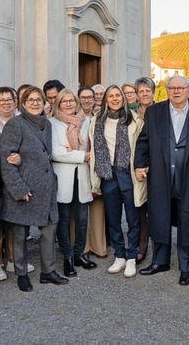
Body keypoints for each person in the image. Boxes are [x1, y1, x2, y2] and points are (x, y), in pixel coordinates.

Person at [135, 75, 189, 286]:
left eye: (181, 88)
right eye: (172, 88)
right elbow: (144, 140)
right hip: (161, 175)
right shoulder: (154, 112)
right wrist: (139, 164)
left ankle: (186, 268)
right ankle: (160, 262)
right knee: (159, 217)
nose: (176, 91)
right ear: (166, 90)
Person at [0, 86, 68, 292]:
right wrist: (18, 189)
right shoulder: (15, 124)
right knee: (20, 234)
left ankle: (48, 272)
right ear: (23, 103)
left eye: (39, 100)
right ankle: (21, 274)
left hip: (46, 188)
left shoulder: (46, 124)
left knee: (49, 231)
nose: (36, 103)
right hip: (25, 188)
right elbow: (7, 159)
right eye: (31, 100)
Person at [90, 85, 145, 278]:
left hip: (127, 173)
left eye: (117, 96)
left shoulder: (134, 119)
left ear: (123, 98)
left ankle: (131, 257)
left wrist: (142, 167)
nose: (114, 99)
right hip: (107, 174)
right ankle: (119, 255)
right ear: (105, 99)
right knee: (113, 218)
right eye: (110, 96)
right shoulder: (97, 120)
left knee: (132, 217)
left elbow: (141, 146)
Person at [50, 89, 96, 277]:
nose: (68, 104)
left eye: (71, 101)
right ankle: (67, 257)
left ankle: (79, 254)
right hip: (63, 178)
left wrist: (70, 151)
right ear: (58, 104)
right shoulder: (52, 123)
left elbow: (89, 146)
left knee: (82, 220)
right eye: (64, 101)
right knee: (63, 220)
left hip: (82, 177)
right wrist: (81, 155)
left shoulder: (86, 121)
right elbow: (55, 152)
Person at [0, 86, 27, 281]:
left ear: (16, 102)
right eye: (1, 100)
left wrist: (20, 156)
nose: (6, 103)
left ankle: (13, 258)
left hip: (18, 175)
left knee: (14, 219)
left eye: (9, 99)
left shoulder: (22, 119)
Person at [79, 86, 108, 259]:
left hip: (98, 166)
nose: (87, 100)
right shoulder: (73, 117)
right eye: (83, 97)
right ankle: (82, 247)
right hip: (81, 164)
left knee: (98, 207)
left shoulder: (101, 116)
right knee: (80, 209)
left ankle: (99, 246)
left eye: (90, 97)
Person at [134, 77, 156, 265]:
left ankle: (159, 247)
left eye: (148, 90)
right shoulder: (131, 114)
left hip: (156, 166)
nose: (145, 94)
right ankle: (142, 247)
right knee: (141, 208)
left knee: (156, 209)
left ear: (153, 92)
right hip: (138, 166)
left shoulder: (160, 111)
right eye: (141, 91)